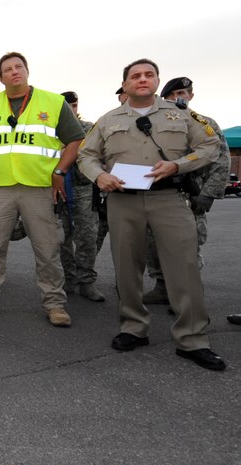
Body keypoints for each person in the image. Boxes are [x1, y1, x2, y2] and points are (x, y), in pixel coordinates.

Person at [77, 58, 225, 371]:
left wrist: (178, 165)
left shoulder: (183, 114)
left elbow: (210, 146)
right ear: (126, 84)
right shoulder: (107, 119)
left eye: (149, 75)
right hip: (123, 200)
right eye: (135, 76)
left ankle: (192, 338)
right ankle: (133, 327)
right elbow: (85, 155)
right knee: (127, 267)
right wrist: (98, 176)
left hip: (169, 197)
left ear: (157, 81)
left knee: (183, 268)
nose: (142, 79)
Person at [0, 52, 85, 327]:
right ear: (1, 77)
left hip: (38, 188)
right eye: (8, 69)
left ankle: (55, 304)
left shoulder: (53, 102)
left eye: (19, 67)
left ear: (27, 71)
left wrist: (59, 171)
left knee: (47, 248)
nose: (14, 72)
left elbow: (76, 140)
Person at [142, 77, 230, 305]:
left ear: (191, 95)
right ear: (164, 98)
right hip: (157, 193)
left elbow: (221, 160)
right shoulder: (153, 123)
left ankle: (187, 296)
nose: (177, 97)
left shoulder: (204, 123)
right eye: (172, 95)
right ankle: (162, 287)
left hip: (190, 195)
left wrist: (209, 193)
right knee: (154, 243)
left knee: (188, 246)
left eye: (182, 92)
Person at [58, 91, 104, 302]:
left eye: (74, 106)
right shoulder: (50, 130)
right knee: (61, 237)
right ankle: (69, 278)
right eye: (67, 107)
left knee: (87, 236)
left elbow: (98, 154)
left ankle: (86, 280)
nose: (72, 110)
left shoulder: (89, 128)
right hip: (57, 188)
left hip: (84, 187)